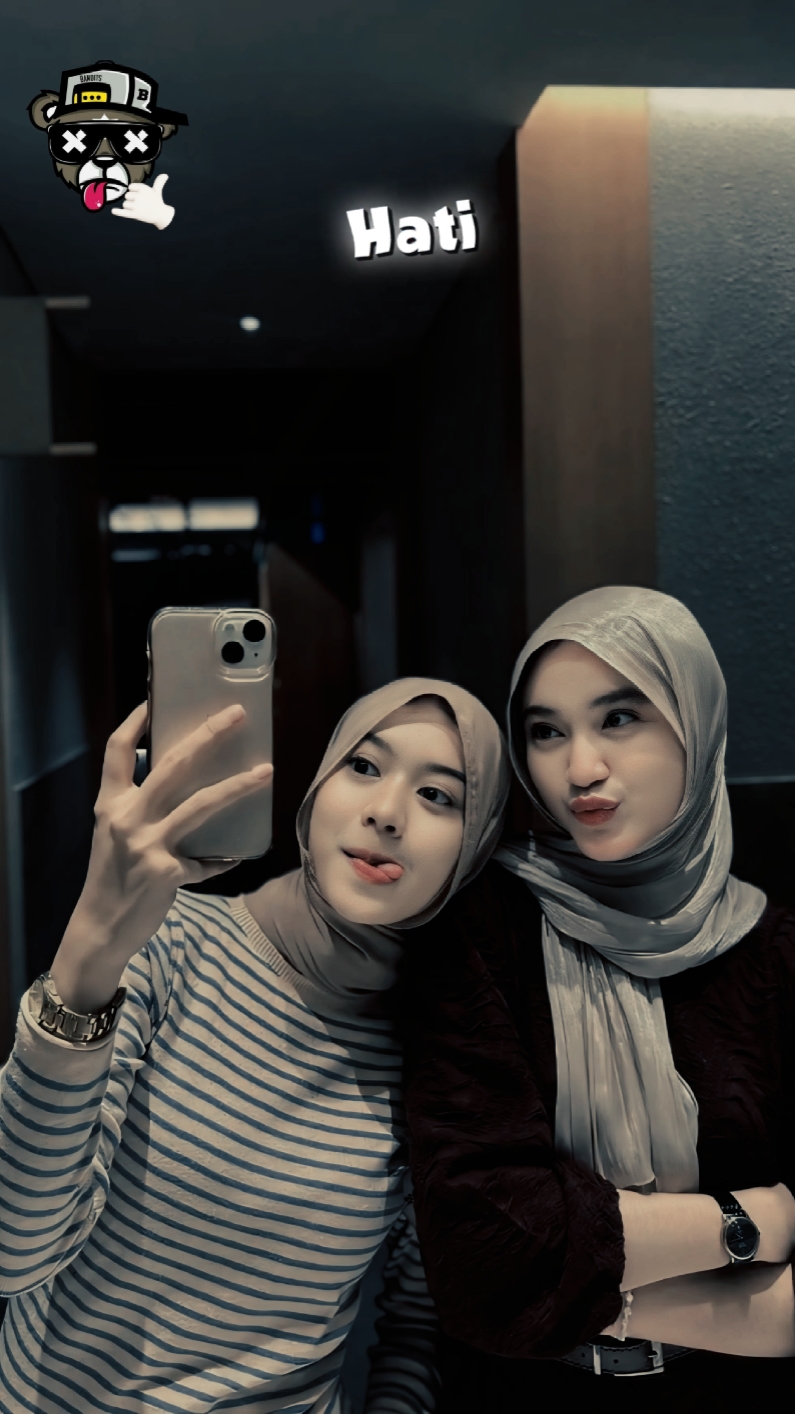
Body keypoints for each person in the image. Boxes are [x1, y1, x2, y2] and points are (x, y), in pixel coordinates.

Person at [0, 676, 508, 1414]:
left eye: (438, 795)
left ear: (476, 844)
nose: (385, 812)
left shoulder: (443, 1056)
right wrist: (84, 962)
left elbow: (418, 1317)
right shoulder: (169, 940)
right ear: (317, 786)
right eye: (364, 766)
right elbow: (12, 1254)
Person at [401, 586, 795, 1411]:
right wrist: (752, 1222)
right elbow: (481, 1260)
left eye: (618, 718)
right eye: (545, 731)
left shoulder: (775, 949)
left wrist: (570, 1290)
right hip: (520, 1394)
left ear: (694, 721)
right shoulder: (482, 926)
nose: (579, 769)